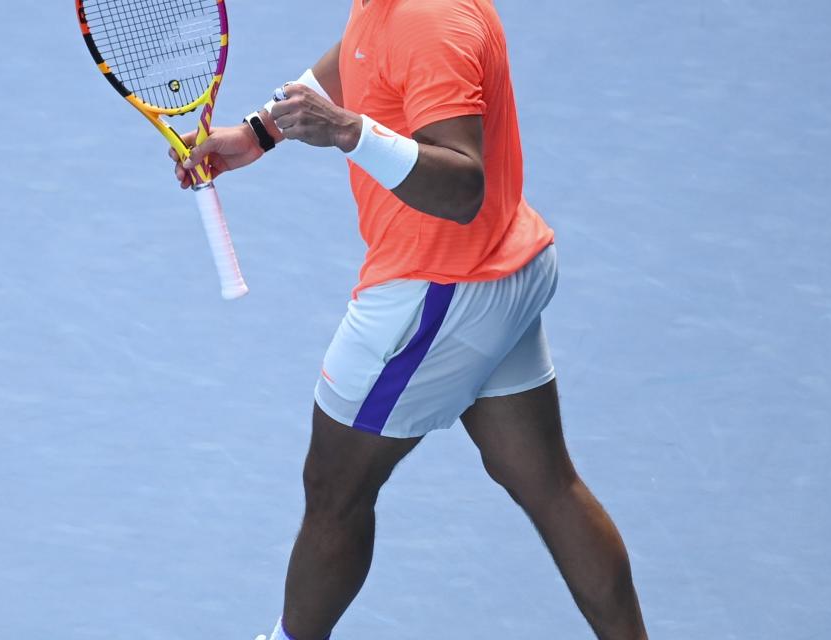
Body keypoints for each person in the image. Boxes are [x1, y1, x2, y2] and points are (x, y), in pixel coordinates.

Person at [171, 1, 648, 638]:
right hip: (503, 265)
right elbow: (360, 54)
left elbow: (461, 186)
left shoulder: (428, 19)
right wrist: (261, 131)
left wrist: (349, 132)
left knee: (335, 487)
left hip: (438, 293)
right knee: (546, 483)